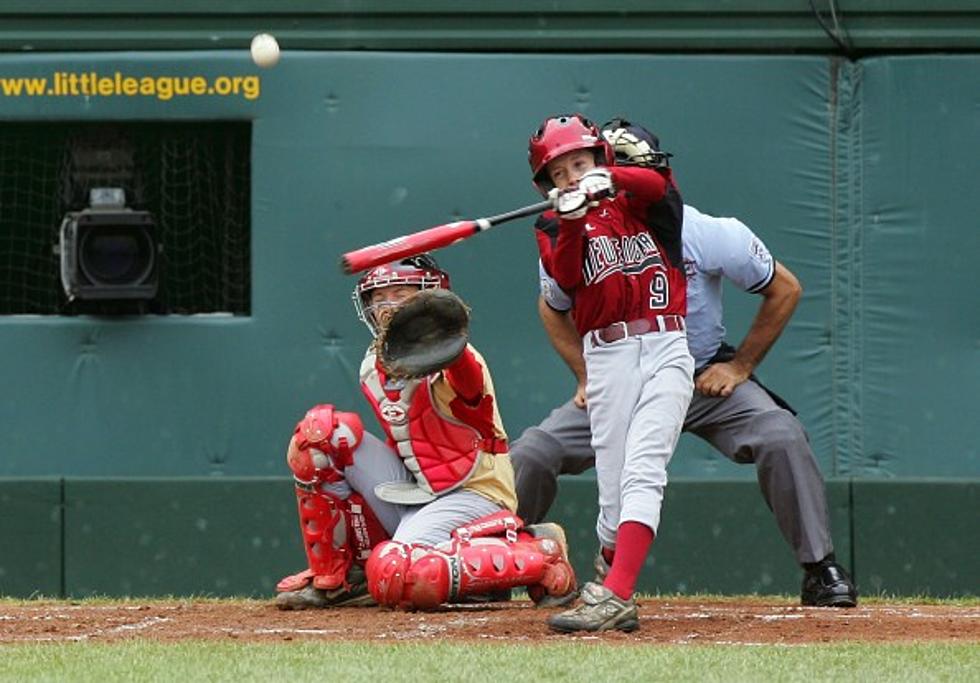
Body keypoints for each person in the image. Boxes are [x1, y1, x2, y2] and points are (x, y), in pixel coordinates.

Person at [512, 119, 858, 612]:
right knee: (536, 450)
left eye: (632, 167)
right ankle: (504, 562)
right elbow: (554, 304)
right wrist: (585, 376)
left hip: (700, 373)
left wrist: (740, 366)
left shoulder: (695, 226)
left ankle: (819, 565)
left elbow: (785, 287)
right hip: (617, 368)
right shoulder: (574, 225)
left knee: (779, 434)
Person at [275, 253, 575, 610]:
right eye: (379, 297)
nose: (387, 307)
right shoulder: (374, 361)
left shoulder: (458, 358)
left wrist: (446, 343)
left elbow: (468, 385)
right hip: (419, 487)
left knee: (395, 573)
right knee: (319, 435)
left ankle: (539, 554)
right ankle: (339, 579)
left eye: (400, 294)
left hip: (474, 492)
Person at [526, 114, 695, 633]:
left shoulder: (641, 201)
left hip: (667, 345)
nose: (572, 176)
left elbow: (659, 185)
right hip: (608, 355)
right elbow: (569, 276)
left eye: (580, 163)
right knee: (614, 497)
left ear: (600, 158)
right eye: (559, 173)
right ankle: (609, 562)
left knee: (645, 470)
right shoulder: (552, 224)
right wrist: (574, 218)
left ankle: (616, 595)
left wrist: (612, 179)